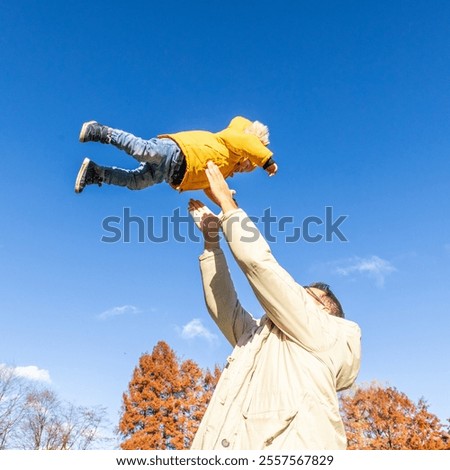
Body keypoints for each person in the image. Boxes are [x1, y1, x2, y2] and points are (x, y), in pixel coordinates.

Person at [187, 161, 361, 450]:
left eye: (305, 293)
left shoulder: (326, 332)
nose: (295, 294)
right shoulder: (260, 339)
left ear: (325, 309)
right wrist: (212, 244)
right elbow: (224, 308)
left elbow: (261, 267)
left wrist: (228, 203)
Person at [74, 116, 278, 194]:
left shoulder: (224, 170)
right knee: (142, 150)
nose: (242, 170)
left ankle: (96, 173)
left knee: (136, 182)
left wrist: (225, 199)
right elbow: (249, 143)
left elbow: (209, 187)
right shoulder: (233, 142)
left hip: (169, 173)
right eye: (247, 165)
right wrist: (267, 161)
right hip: (176, 152)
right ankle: (101, 132)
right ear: (247, 154)